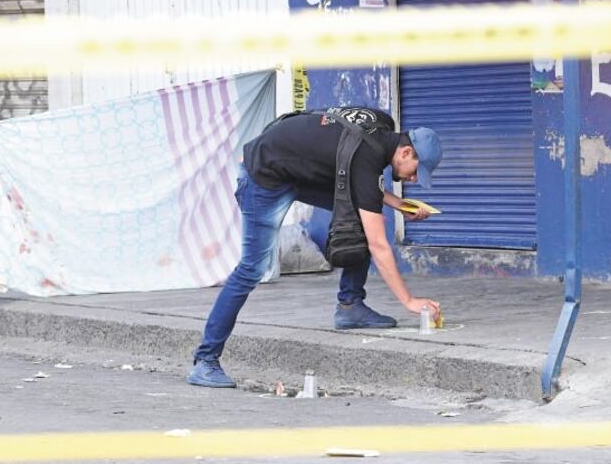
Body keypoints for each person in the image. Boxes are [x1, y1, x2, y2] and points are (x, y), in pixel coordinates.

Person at [188, 105, 443, 388]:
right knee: (252, 268)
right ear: (406, 153)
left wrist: (400, 204)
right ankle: (205, 361)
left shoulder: (379, 127)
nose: (414, 180)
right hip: (264, 175)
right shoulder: (368, 154)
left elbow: (363, 185)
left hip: (296, 171)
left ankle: (350, 307)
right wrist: (409, 301)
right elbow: (378, 245)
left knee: (356, 213)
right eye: (416, 172)